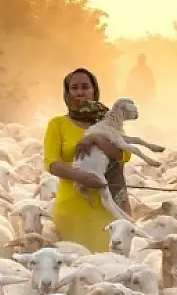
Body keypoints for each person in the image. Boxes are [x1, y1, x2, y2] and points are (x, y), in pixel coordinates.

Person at [43, 68, 131, 253]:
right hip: (71, 210)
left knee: (108, 266)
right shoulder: (58, 124)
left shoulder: (110, 123)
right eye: (74, 88)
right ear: (67, 93)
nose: (80, 92)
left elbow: (122, 155)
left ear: (94, 90)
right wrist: (80, 176)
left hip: (107, 209)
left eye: (85, 87)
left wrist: (96, 139)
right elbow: (51, 162)